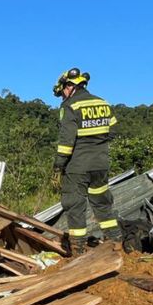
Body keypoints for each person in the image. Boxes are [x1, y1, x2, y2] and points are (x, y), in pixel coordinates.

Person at [52, 67, 121, 255]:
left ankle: (78, 251)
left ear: (68, 86)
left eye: (63, 92)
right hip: (101, 164)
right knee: (102, 204)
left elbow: (66, 142)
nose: (63, 96)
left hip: (78, 166)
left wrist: (58, 166)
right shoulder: (103, 103)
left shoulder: (69, 106)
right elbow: (113, 130)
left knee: (75, 205)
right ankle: (116, 242)